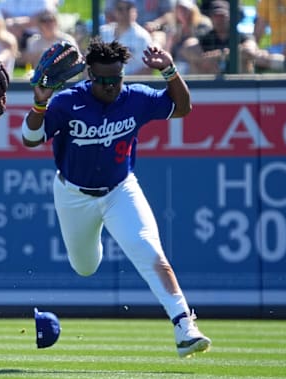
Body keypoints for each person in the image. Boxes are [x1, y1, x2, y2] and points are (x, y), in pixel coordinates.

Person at [20, 38, 212, 358]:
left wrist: (169, 70)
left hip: (120, 190)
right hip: (73, 195)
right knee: (85, 266)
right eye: (103, 80)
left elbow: (183, 108)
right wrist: (40, 104)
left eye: (116, 78)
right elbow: (30, 139)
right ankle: (95, 243)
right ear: (88, 76)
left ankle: (184, 327)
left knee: (152, 253)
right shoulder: (69, 102)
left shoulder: (134, 97)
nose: (111, 86)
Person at [181, 0, 257, 74]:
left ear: (230, 17)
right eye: (215, 16)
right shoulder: (206, 37)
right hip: (211, 80)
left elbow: (250, 50)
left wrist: (220, 56)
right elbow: (187, 48)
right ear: (211, 18)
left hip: (239, 81)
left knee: (244, 61)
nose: (219, 20)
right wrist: (206, 59)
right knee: (197, 63)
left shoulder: (241, 36)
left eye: (222, 16)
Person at [99, 0, 155, 75]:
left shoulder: (142, 36)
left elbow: (147, 68)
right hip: (104, 82)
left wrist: (124, 82)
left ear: (135, 11)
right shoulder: (103, 32)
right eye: (120, 9)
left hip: (132, 83)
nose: (124, 12)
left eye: (128, 8)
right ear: (114, 11)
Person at [165, 0, 211, 74]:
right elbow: (168, 56)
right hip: (178, 67)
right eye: (180, 8)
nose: (182, 11)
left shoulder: (203, 25)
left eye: (185, 8)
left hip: (197, 66)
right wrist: (170, 42)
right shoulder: (172, 29)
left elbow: (203, 48)